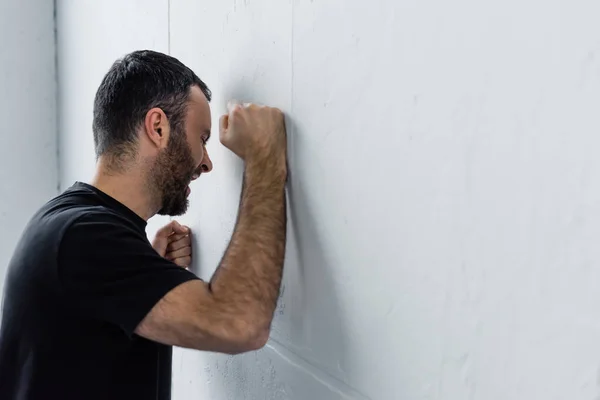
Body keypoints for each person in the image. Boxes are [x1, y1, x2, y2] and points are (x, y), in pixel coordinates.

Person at [0, 50, 288, 400]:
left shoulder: (70, 224)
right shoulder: (84, 238)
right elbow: (239, 324)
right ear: (158, 127)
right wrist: (264, 158)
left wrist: (148, 269)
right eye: (202, 138)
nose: (207, 163)